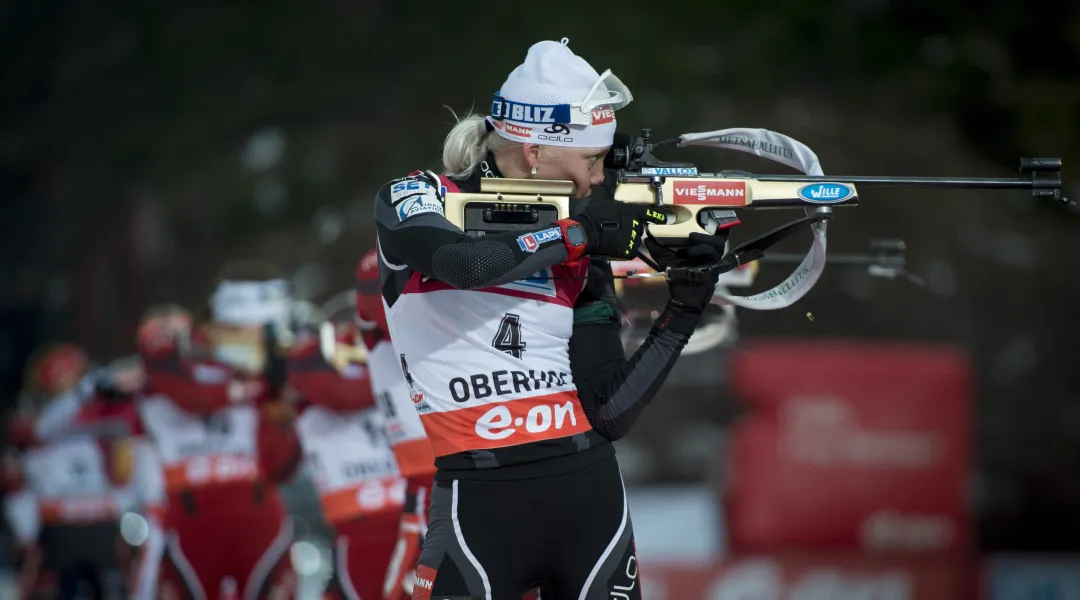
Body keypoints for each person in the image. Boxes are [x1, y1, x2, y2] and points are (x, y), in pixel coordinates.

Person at [372, 39, 727, 599]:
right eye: (590, 161)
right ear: (535, 151)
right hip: (477, 504)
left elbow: (608, 410)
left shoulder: (575, 249)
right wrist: (579, 233)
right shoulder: (417, 196)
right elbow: (465, 264)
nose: (594, 182)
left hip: (590, 497)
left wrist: (684, 307)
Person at [134, 267, 299, 600]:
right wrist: (242, 389)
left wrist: (279, 395)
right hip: (189, 516)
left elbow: (278, 464)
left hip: (253, 511)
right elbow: (191, 395)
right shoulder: (152, 376)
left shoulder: (252, 372)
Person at [279, 318, 407, 600]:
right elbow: (342, 396)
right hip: (359, 530)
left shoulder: (398, 347)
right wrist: (392, 371)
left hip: (413, 517)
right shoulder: (313, 362)